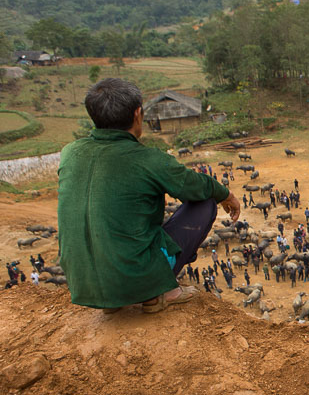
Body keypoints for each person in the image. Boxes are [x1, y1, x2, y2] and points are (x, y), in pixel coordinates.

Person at [58, 79, 240, 313]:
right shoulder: (148, 159)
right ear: (138, 114)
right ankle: (159, 293)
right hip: (136, 276)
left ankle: (114, 300)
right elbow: (196, 186)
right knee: (205, 202)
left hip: (83, 284)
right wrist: (226, 194)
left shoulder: (70, 153)